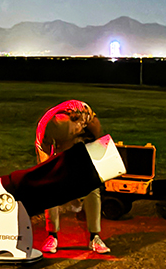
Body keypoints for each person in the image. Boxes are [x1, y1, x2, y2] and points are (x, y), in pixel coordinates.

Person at [35, 100, 110, 253]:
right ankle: (52, 235)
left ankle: (94, 236)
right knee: (50, 187)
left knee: (92, 188)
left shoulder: (87, 115)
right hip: (60, 152)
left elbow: (99, 139)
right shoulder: (48, 126)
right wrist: (51, 172)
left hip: (82, 149)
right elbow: (42, 152)